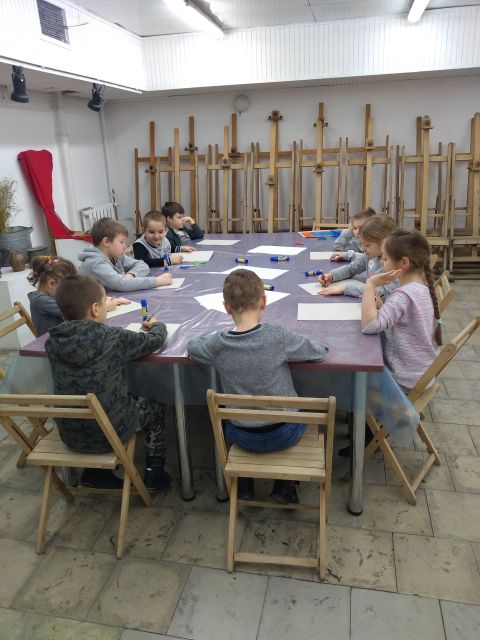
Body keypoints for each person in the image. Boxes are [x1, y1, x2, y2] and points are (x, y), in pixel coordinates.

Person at [187, 269, 328, 504]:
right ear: (264, 301)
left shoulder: (217, 344)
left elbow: (192, 347)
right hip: (286, 434)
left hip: (242, 435)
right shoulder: (278, 336)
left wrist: (213, 336)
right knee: (300, 409)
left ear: (226, 308)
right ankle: (284, 486)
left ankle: (243, 483)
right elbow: (317, 351)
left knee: (229, 419)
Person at [45, 274, 170, 490]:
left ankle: (95, 473)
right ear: (95, 309)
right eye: (104, 302)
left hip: (70, 433)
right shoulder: (112, 338)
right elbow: (155, 340)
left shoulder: (52, 342)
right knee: (155, 407)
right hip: (111, 432)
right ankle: (154, 472)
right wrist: (157, 325)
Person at [361, 229, 441, 391]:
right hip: (420, 374)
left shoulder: (403, 295)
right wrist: (382, 307)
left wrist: (370, 285)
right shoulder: (421, 288)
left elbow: (369, 326)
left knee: (354, 374)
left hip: (403, 380)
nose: (381, 262)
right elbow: (405, 318)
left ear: (404, 262)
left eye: (385, 258)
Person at [78, 217, 172, 291]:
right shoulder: (96, 263)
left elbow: (143, 265)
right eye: (121, 242)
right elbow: (121, 284)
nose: (125, 246)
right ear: (106, 242)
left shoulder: (116, 256)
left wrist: (131, 274)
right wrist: (157, 281)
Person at [319, 214, 398, 299]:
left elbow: (382, 291)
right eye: (362, 243)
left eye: (367, 245)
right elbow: (351, 269)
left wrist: (345, 288)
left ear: (383, 243)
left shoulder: (393, 264)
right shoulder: (370, 256)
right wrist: (331, 275)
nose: (363, 249)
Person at [27, 256, 77, 336]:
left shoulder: (48, 296)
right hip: (50, 342)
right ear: (51, 284)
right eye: (67, 288)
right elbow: (75, 310)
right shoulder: (41, 301)